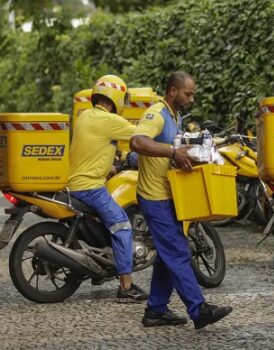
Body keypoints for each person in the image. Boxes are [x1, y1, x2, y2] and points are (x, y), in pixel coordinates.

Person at [130, 71, 233, 328]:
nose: (192, 99)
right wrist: (173, 151)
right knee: (177, 251)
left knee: (168, 254)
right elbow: (137, 141)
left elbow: (173, 152)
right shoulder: (157, 114)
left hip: (170, 195)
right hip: (155, 197)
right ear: (172, 91)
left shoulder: (175, 117)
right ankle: (198, 310)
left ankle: (156, 310)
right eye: (188, 94)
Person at [67, 74, 148, 303]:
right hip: (90, 187)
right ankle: (126, 288)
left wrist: (110, 166)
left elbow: (95, 149)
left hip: (75, 183)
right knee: (122, 226)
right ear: (117, 97)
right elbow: (142, 137)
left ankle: (99, 270)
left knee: (107, 222)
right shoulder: (108, 120)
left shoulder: (86, 116)